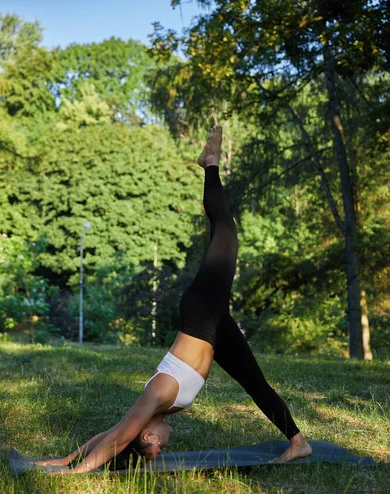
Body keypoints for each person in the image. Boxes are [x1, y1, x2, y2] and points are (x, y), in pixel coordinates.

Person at [37, 126, 312, 474]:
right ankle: (298, 442)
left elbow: (119, 439)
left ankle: (210, 163)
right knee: (254, 382)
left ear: (148, 436)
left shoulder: (158, 394)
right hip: (213, 327)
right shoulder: (154, 411)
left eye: (159, 448)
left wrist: (75, 473)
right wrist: (64, 459)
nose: (168, 445)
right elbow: (109, 433)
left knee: (225, 228)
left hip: (201, 314)